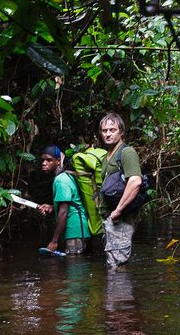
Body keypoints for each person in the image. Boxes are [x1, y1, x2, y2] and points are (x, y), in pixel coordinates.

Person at [98, 113, 142, 268]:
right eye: (105, 130)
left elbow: (135, 181)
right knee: (113, 264)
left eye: (112, 130)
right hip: (110, 216)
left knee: (117, 264)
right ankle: (115, 293)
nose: (108, 134)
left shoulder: (127, 152)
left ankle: (119, 293)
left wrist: (118, 210)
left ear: (121, 132)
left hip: (120, 217)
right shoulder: (108, 155)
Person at [36, 145, 91, 255]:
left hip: (75, 231)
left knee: (74, 268)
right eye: (43, 160)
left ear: (58, 161)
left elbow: (64, 211)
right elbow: (71, 202)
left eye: (49, 160)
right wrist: (51, 207)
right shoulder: (66, 176)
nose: (44, 163)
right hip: (80, 230)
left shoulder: (61, 180)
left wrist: (54, 240)